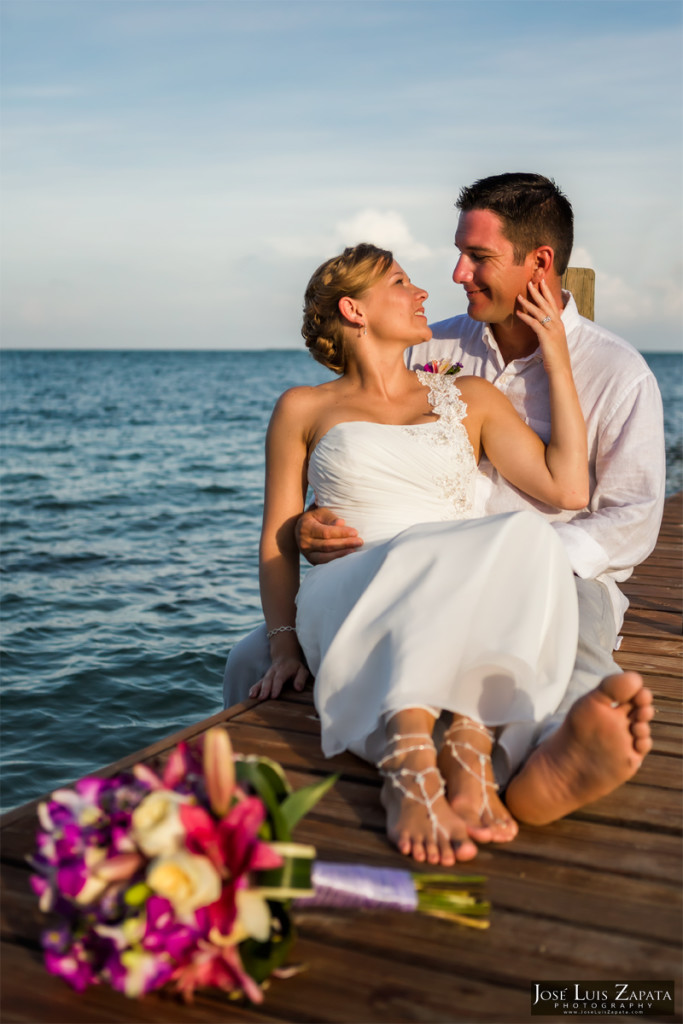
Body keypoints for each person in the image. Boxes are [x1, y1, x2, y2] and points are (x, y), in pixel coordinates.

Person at [223, 172, 664, 773]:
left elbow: (632, 515)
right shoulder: (437, 347)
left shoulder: (618, 372)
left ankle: (560, 754)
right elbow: (373, 441)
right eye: (459, 253)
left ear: (539, 263)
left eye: (477, 257)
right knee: (254, 653)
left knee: (574, 646)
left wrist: (530, 557)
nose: (456, 274)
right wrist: (307, 526)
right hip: (406, 564)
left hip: (563, 567)